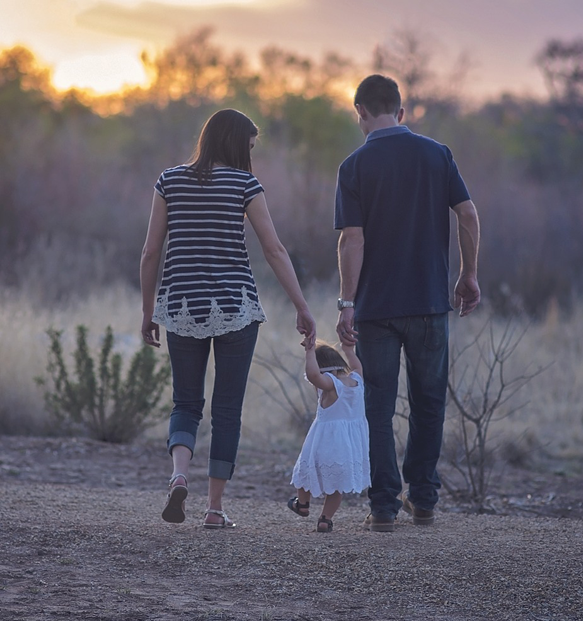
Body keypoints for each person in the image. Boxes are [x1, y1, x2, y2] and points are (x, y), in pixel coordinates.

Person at [139, 108, 316, 530]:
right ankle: (214, 509)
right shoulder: (245, 184)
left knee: (186, 402)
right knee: (227, 410)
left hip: (181, 306)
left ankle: (179, 474)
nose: (251, 155)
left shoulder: (169, 181)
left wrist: (148, 312)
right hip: (236, 307)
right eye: (250, 146)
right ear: (237, 144)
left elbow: (150, 252)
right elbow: (274, 250)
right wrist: (302, 306)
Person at [334, 75, 482, 532]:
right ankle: (424, 499)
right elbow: (468, 214)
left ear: (359, 112)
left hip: (377, 309)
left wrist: (346, 302)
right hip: (431, 302)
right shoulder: (437, 154)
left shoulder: (354, 166)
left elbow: (351, 240)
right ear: (401, 111)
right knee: (429, 402)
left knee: (377, 407)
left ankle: (382, 507)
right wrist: (468, 274)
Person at [287, 340, 370, 532]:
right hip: (349, 446)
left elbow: (313, 375)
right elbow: (357, 365)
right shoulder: (357, 380)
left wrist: (309, 352)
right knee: (336, 486)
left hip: (325, 442)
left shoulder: (331, 384)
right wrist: (349, 350)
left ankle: (303, 504)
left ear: (324, 370)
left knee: (305, 472)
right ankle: (325, 519)